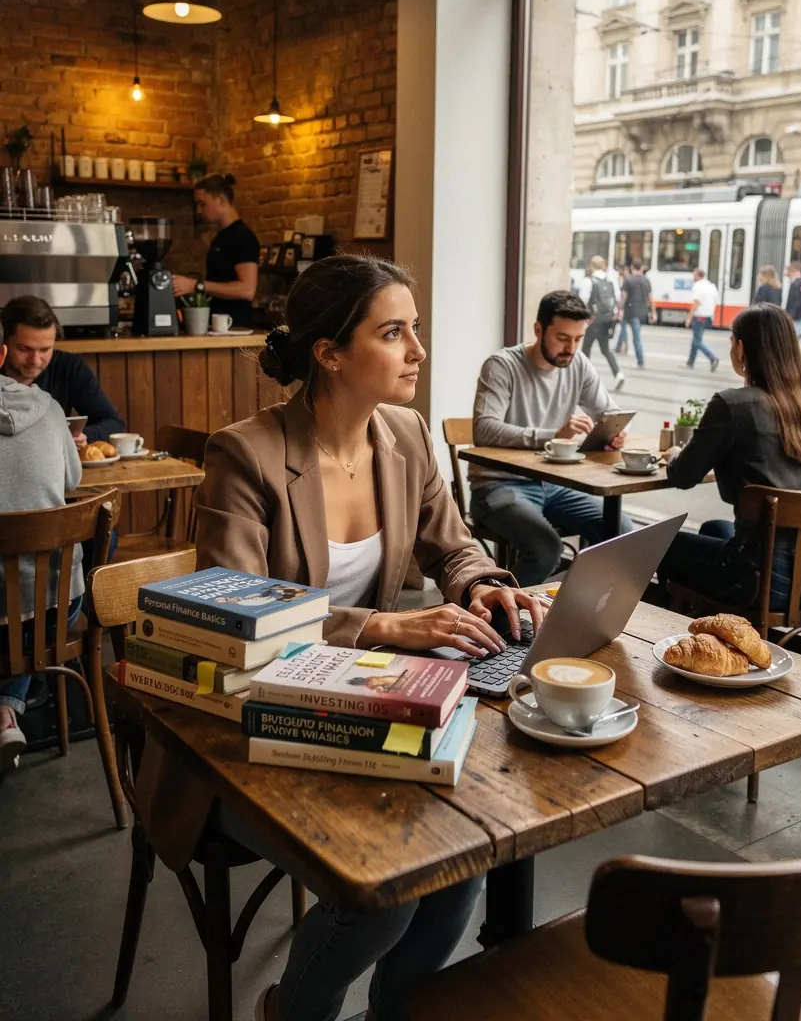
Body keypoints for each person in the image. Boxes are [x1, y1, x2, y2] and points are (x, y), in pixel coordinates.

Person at [135, 254, 544, 1021]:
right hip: (240, 732)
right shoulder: (246, 453)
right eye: (394, 333)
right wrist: (380, 625)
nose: (418, 350)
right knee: (385, 892)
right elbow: (238, 612)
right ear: (328, 353)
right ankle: (291, 1012)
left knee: (460, 860)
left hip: (361, 701)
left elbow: (454, 546)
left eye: (415, 329)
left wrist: (480, 584)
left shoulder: (407, 434)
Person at [469, 290, 632, 587]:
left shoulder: (578, 364)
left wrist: (616, 431)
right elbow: (485, 429)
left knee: (620, 529)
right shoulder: (502, 365)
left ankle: (578, 606)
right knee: (546, 549)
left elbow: (610, 412)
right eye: (562, 338)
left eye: (578, 339)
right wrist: (552, 437)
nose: (571, 348)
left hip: (554, 485)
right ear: (538, 330)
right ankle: (494, 610)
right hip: (498, 485)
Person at [657, 303, 801, 608]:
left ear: (741, 348)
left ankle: (670, 628)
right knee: (714, 528)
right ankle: (714, 626)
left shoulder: (733, 406)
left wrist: (676, 454)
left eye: (731, 341)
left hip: (757, 581)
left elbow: (684, 476)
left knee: (658, 543)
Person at [0, 314, 84, 771]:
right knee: (24, 611)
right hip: (57, 602)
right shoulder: (51, 408)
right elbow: (72, 480)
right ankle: (7, 711)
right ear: (3, 353)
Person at [0, 295, 124, 449]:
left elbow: (113, 424)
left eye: (45, 350)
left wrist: (83, 436)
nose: (35, 360)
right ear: (3, 344)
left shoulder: (69, 367)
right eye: (24, 349)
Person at [171, 172, 260, 328]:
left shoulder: (242, 237)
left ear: (221, 200)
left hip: (235, 328)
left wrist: (196, 285)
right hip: (218, 327)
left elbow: (247, 290)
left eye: (202, 204)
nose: (199, 211)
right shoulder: (220, 238)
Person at [578, 256, 625, 390]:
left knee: (585, 349)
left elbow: (583, 301)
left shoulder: (588, 281)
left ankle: (585, 380)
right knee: (605, 349)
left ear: (591, 266)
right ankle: (618, 374)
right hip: (607, 319)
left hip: (592, 320)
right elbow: (617, 299)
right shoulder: (611, 281)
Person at [616, 257, 655, 369]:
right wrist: (653, 312)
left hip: (631, 312)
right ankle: (624, 348)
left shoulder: (628, 280)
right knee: (636, 335)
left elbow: (623, 297)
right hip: (643, 312)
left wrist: (619, 309)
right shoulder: (646, 280)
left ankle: (640, 361)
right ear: (642, 267)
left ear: (632, 267)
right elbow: (650, 298)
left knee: (636, 337)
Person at [685, 269, 720, 371]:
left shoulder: (697, 286)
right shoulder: (711, 286)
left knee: (697, 341)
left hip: (700, 315)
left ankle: (713, 358)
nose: (693, 277)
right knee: (696, 339)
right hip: (709, 316)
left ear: (697, 276)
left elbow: (696, 303)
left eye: (694, 275)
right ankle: (690, 362)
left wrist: (689, 318)